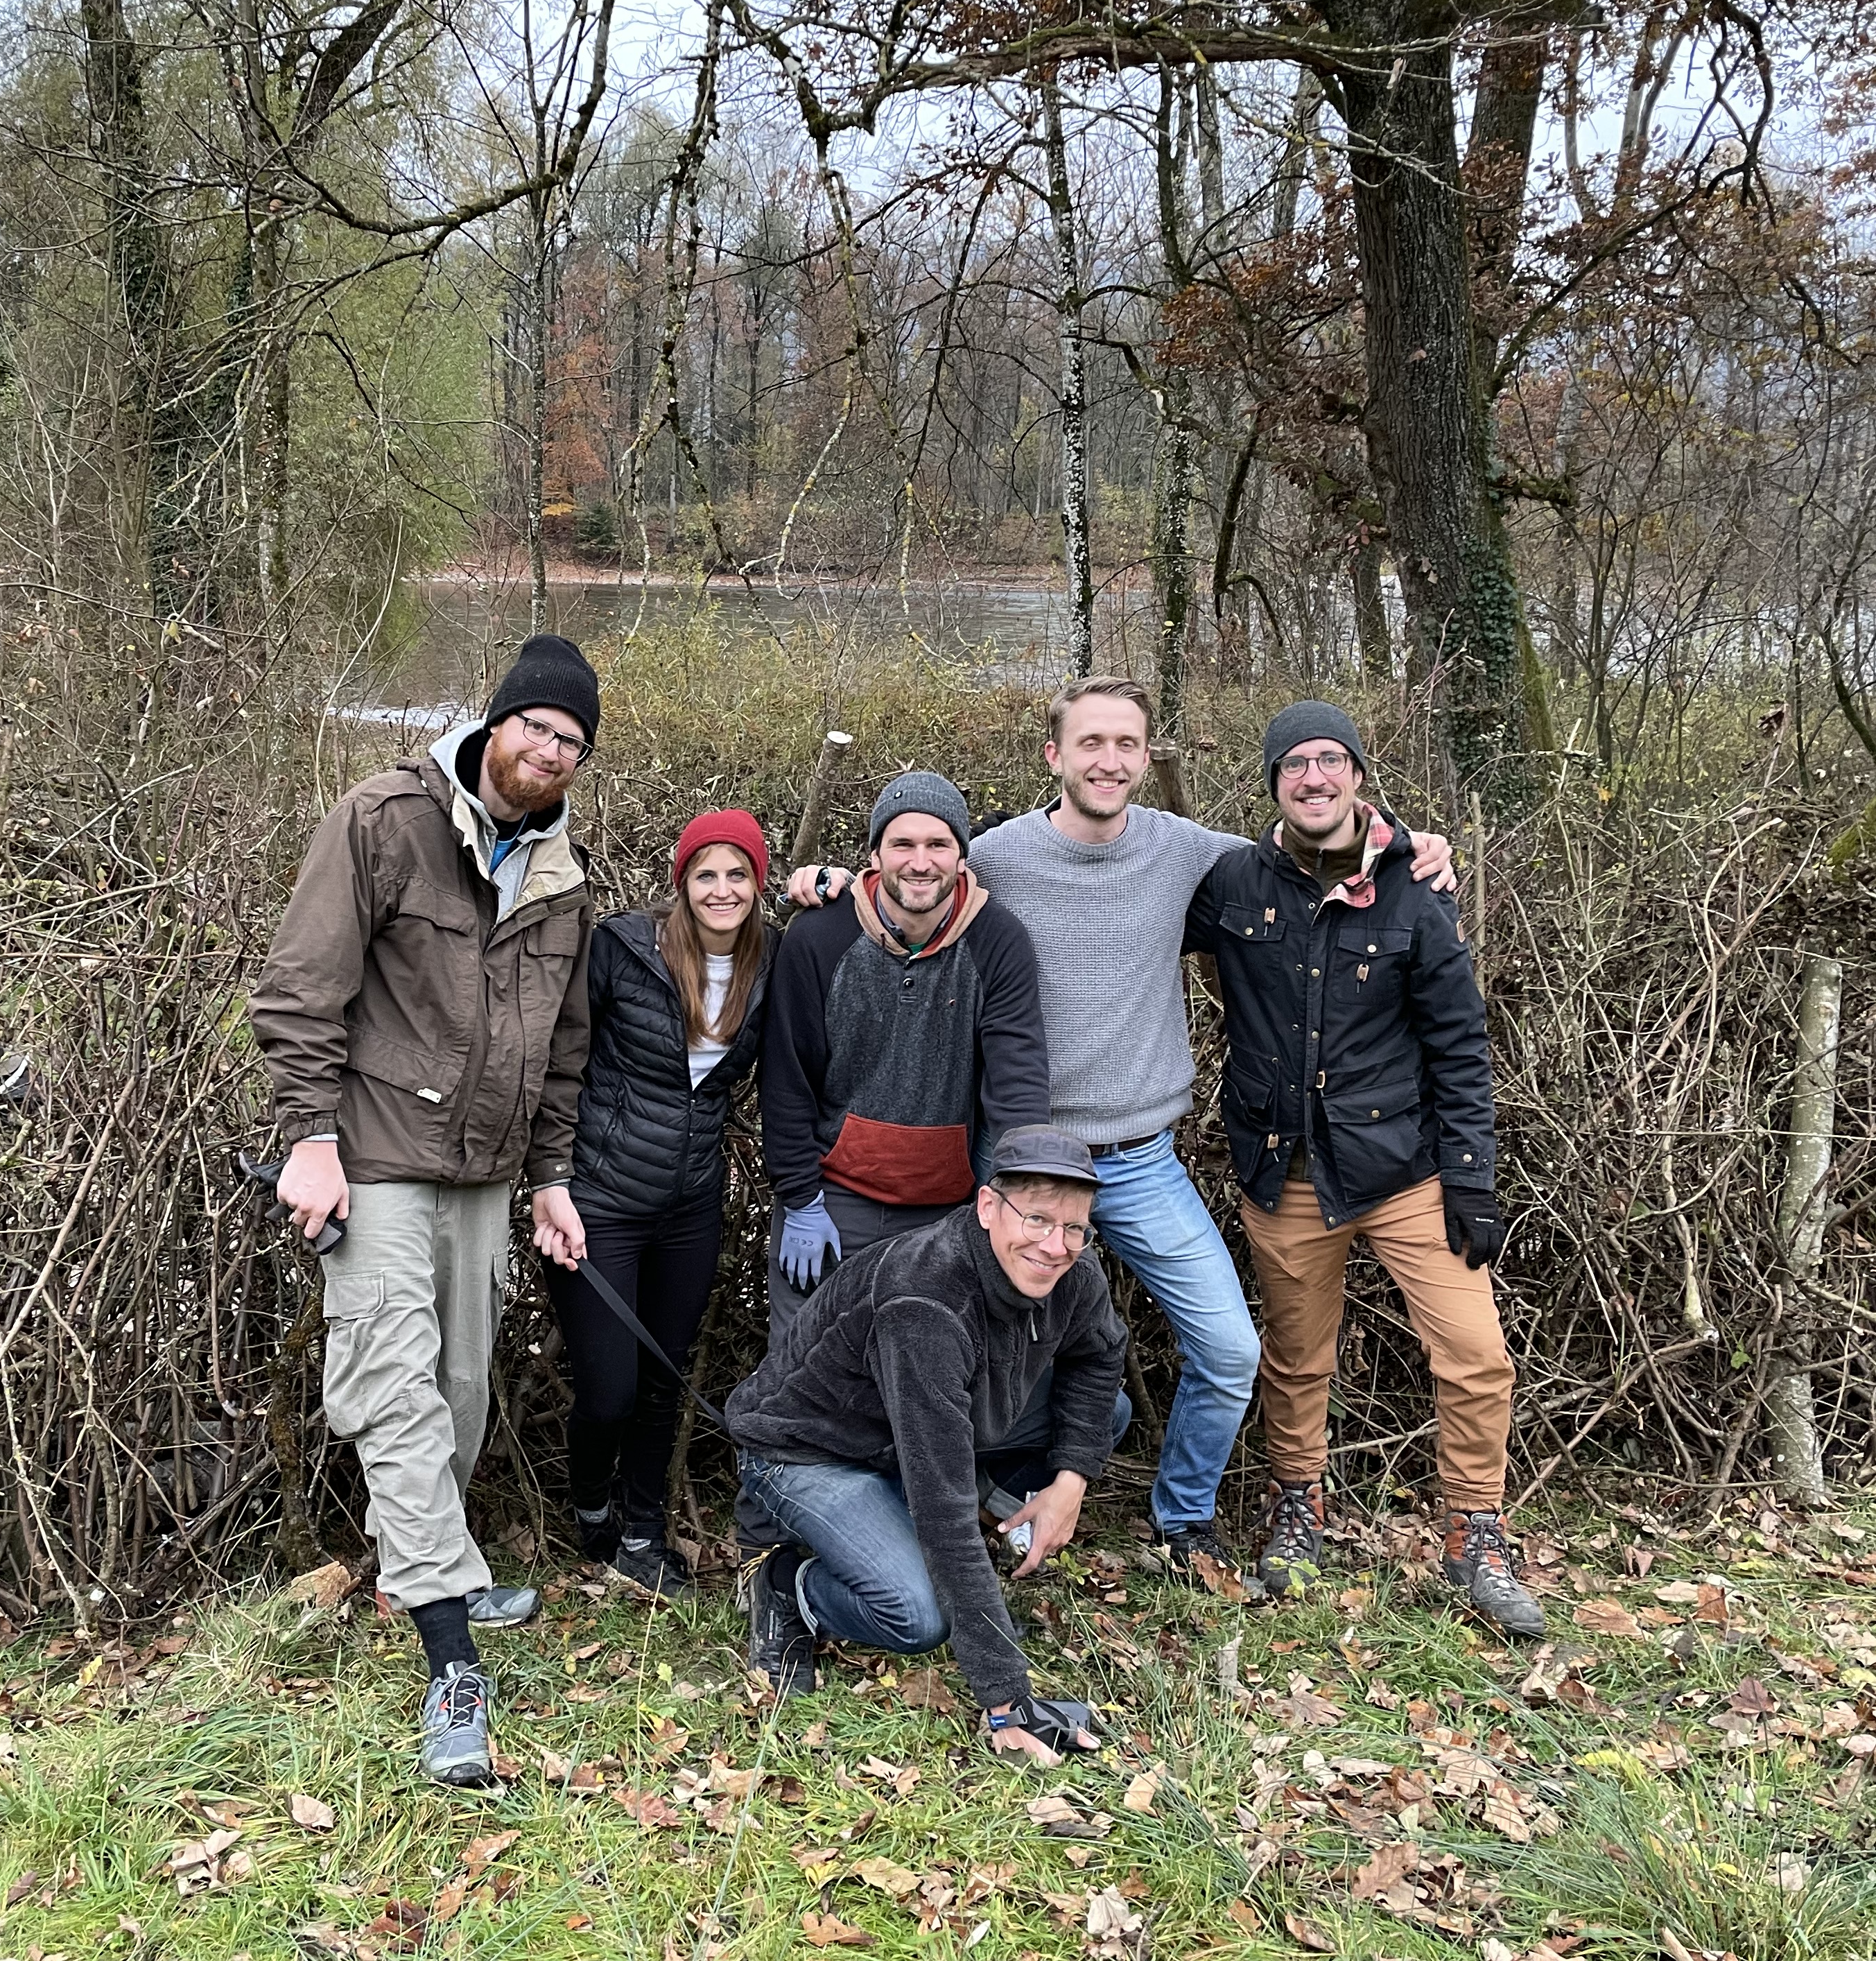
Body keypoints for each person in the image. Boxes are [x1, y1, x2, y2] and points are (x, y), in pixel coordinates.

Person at [789, 678, 1452, 1571]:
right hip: (1017, 1166)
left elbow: (1313, 854)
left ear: (1146, 758)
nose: (1108, 761)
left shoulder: (1190, 854)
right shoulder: (1000, 857)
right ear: (1055, 756)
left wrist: (1407, 846)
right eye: (1090, 743)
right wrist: (830, 880)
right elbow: (910, 881)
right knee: (973, 1342)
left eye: (1126, 745)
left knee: (1228, 1347)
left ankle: (1182, 1519)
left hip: (1140, 1161)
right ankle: (972, 1498)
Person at [249, 634, 603, 1788]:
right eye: (535, 726)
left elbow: (564, 1050)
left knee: (459, 1388)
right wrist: (309, 1139)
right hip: (381, 1159)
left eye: (571, 741)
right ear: (493, 722)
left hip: (489, 1175)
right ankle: (452, 1658)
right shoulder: (384, 819)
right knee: (395, 1386)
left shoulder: (565, 876)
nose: (547, 752)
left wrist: (550, 1176)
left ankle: (427, 1564)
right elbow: (303, 986)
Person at [1185, 701, 1540, 1639]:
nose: (1312, 778)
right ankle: (1297, 1505)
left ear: (1357, 776)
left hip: (1405, 1172)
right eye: (1293, 763)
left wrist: (1470, 1178)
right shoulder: (1230, 884)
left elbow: (1460, 1045)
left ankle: (1474, 1529)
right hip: (1284, 1169)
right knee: (1297, 1360)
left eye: (1329, 761)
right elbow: (1111, 903)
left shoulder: (1416, 891)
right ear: (1273, 783)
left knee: (1476, 1356)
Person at [729, 1125, 1127, 1765]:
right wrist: (1008, 1703)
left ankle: (968, 1515)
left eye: (1075, 1229)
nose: (1056, 1247)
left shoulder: (1070, 1273)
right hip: (810, 1449)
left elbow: (1101, 1356)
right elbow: (942, 1510)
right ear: (989, 1208)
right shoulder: (926, 1303)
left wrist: (1071, 1481)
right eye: (1038, 1220)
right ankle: (789, 1584)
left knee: (1108, 1416)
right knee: (918, 1616)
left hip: (926, 1434)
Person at [544, 809, 777, 1597]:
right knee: (608, 1389)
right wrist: (549, 1183)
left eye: (737, 874)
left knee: (663, 1381)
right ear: (681, 883)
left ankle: (644, 1529)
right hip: (600, 1202)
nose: (722, 889)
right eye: (705, 874)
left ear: (758, 884)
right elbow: (559, 1059)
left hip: (690, 1208)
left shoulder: (768, 964)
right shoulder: (622, 949)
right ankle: (588, 1509)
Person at [756, 770, 1050, 1343]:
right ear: (874, 854)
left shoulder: (997, 941)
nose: (921, 862)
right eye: (903, 844)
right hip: (834, 1200)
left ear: (963, 857)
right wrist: (800, 1200)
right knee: (799, 1382)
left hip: (945, 1209)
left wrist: (1018, 1202)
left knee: (921, 1380)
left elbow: (1017, 1081)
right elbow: (786, 1080)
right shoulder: (818, 938)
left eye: (939, 844)